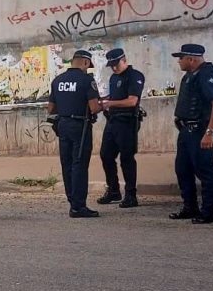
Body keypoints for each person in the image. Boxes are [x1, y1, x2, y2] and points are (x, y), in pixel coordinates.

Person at [169, 44, 213, 224]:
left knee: (205, 170)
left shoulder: (207, 74)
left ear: (191, 59)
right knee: (182, 169)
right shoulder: (189, 76)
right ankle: (190, 207)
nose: (179, 61)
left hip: (201, 130)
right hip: (186, 130)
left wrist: (210, 132)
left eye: (181, 58)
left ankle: (208, 211)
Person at [48, 50, 102, 218]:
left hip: (62, 125)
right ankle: (79, 207)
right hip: (80, 126)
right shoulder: (86, 80)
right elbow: (94, 108)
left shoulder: (57, 80)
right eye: (88, 65)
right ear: (85, 62)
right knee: (79, 164)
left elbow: (51, 109)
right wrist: (105, 105)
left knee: (67, 164)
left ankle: (72, 202)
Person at [97, 49, 145, 208]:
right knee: (105, 155)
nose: (114, 68)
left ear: (124, 60)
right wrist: (102, 101)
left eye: (116, 64)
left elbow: (132, 101)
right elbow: (114, 97)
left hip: (127, 121)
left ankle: (131, 195)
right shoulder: (113, 77)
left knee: (127, 158)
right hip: (112, 121)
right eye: (111, 65)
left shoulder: (134, 76)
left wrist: (110, 103)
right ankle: (113, 190)